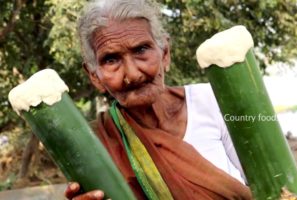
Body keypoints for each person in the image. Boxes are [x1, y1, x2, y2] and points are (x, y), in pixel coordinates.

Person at [64, 0, 252, 199]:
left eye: (141, 50)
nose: (133, 74)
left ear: (164, 54)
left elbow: (270, 182)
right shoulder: (94, 144)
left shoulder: (211, 101)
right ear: (94, 75)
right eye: (111, 60)